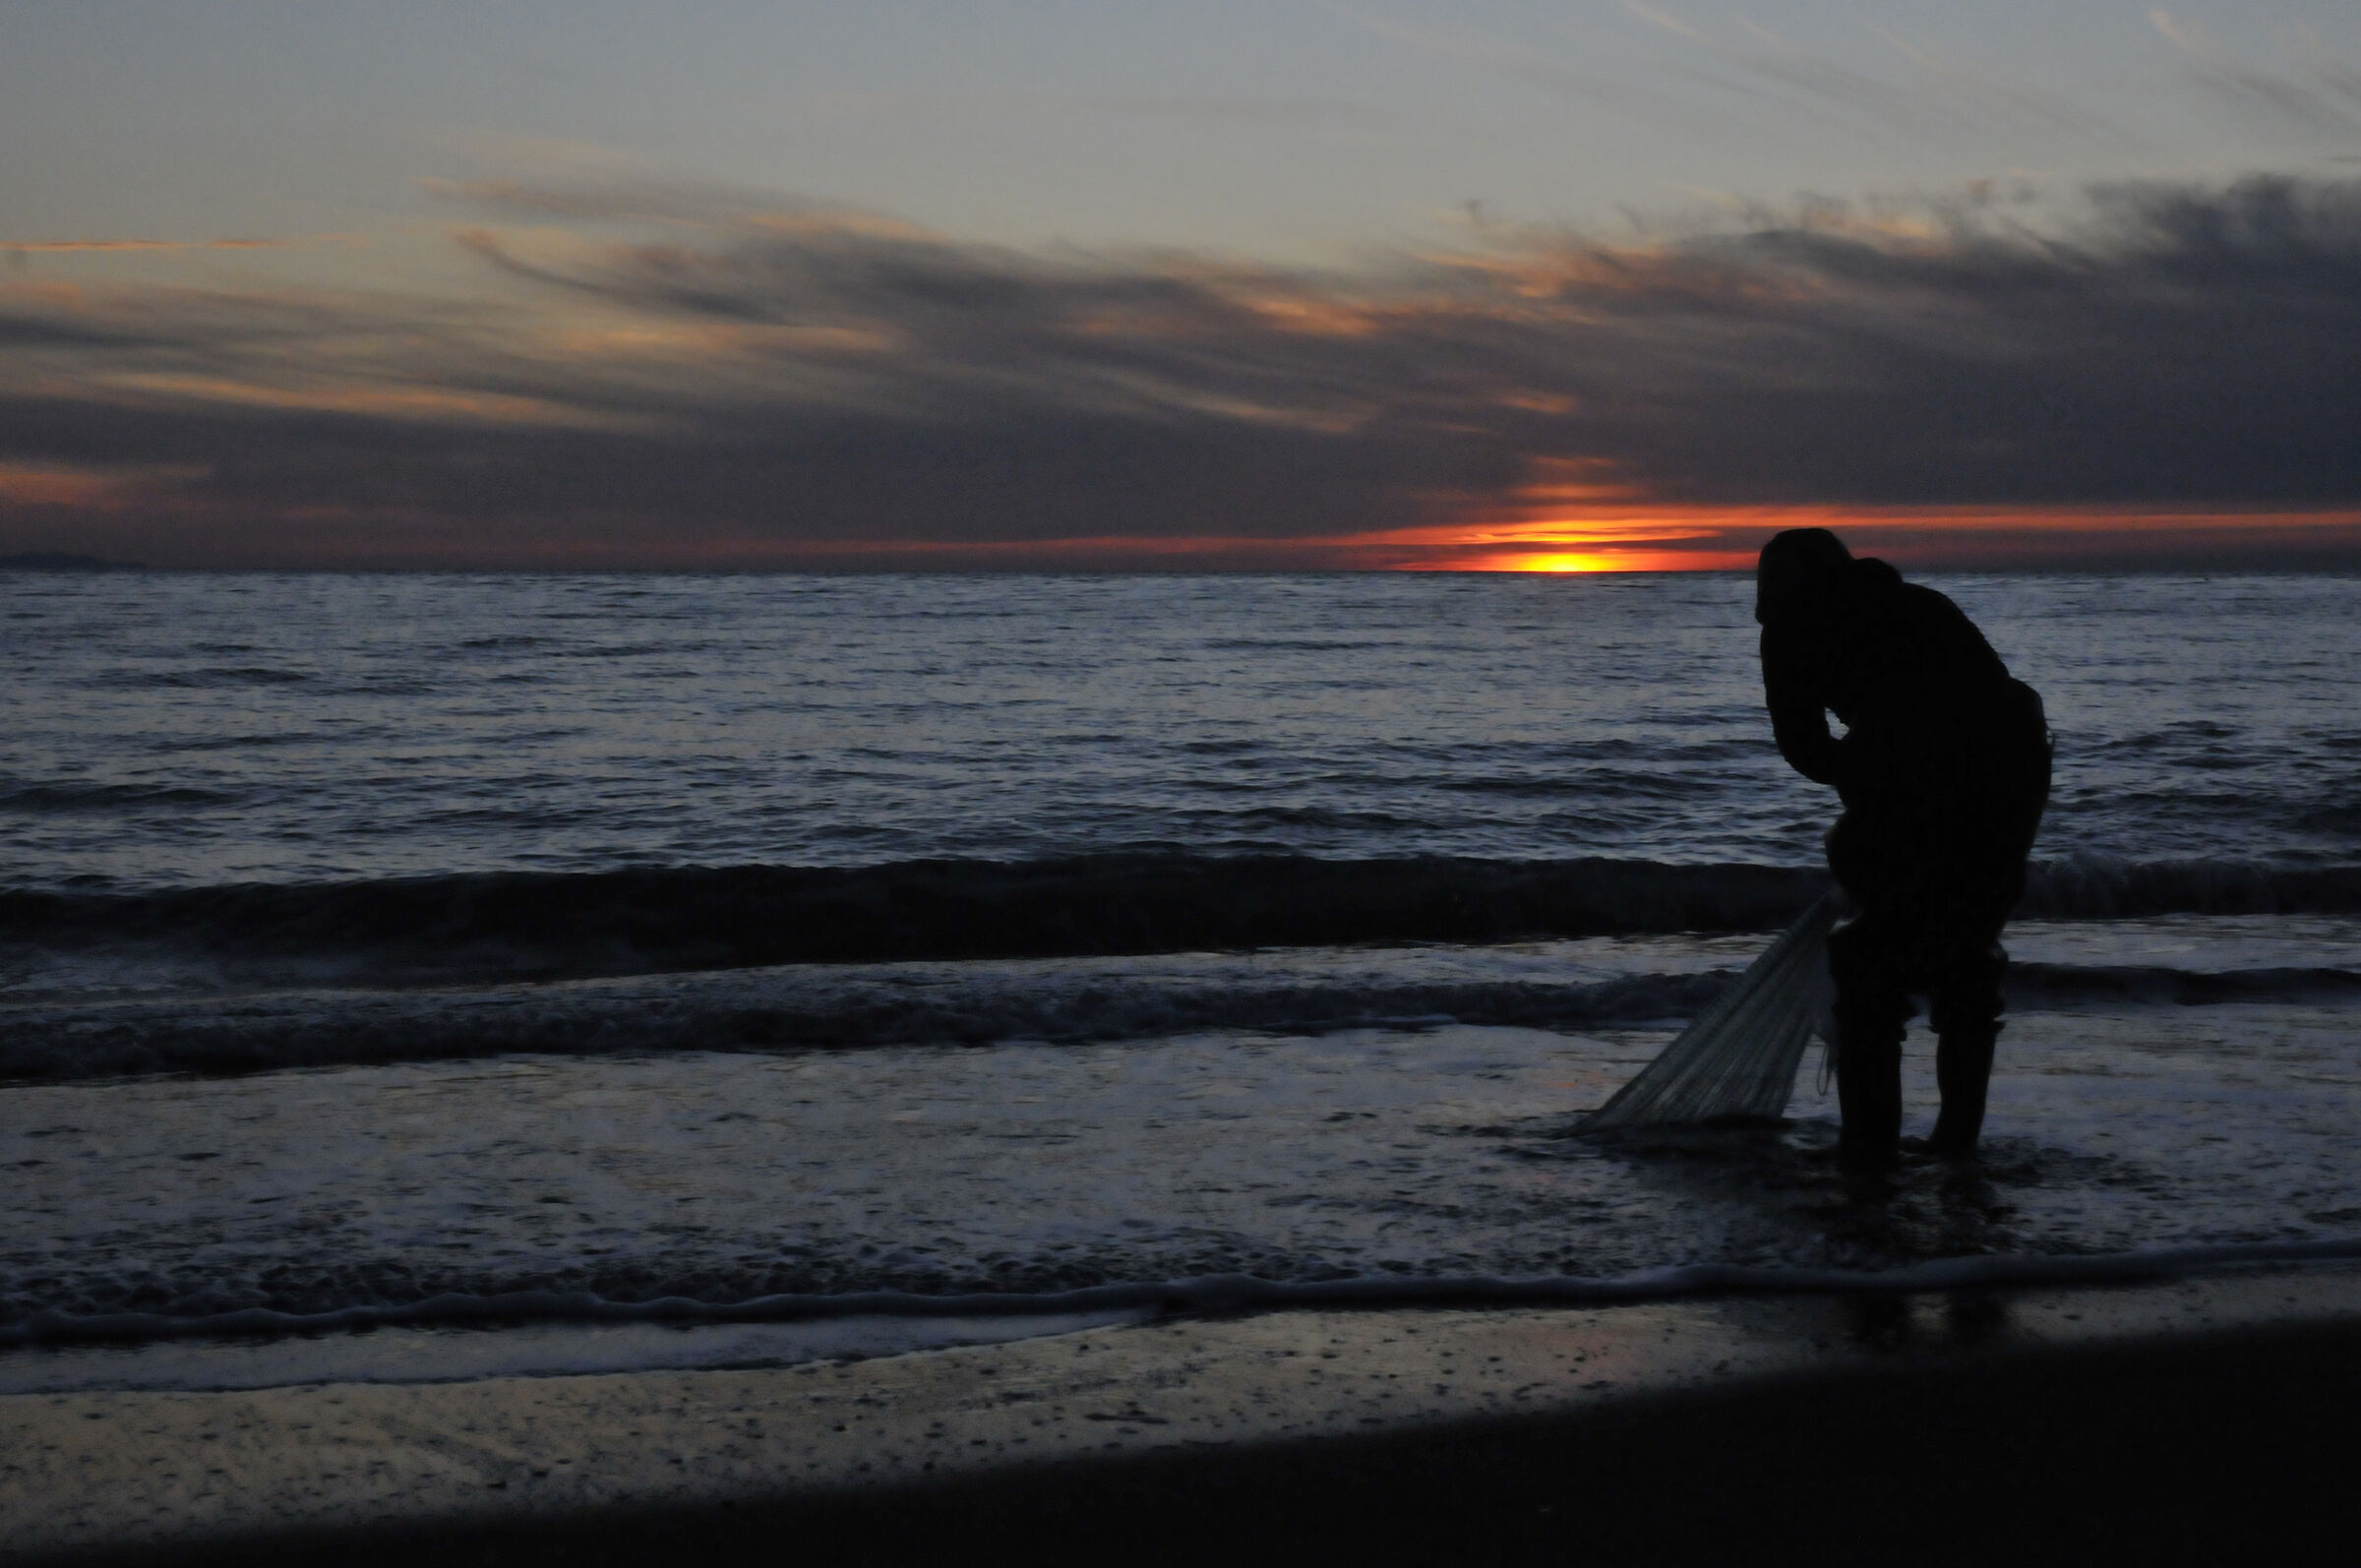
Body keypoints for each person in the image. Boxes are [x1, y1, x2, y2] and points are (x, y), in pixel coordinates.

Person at [1755, 528, 2051, 1166]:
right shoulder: (1918, 604)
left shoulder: (1791, 628)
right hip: (2015, 767)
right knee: (1962, 956)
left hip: (1969, 767)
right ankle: (1952, 1146)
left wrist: (1865, 785)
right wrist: (1870, 786)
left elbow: (1805, 747)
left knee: (1868, 964)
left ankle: (1872, 1151)